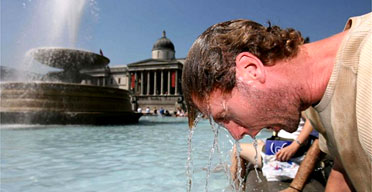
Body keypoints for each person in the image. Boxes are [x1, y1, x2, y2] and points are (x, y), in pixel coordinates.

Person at [182, 12, 371, 191]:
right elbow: (344, 168)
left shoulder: (366, 66)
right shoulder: (315, 101)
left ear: (251, 70)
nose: (236, 134)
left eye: (225, 116)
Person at [231, 118, 318, 190]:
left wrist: (295, 145)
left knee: (237, 149)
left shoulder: (302, 103)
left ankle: (238, 189)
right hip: (283, 146)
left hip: (283, 152)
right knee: (258, 142)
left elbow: (311, 121)